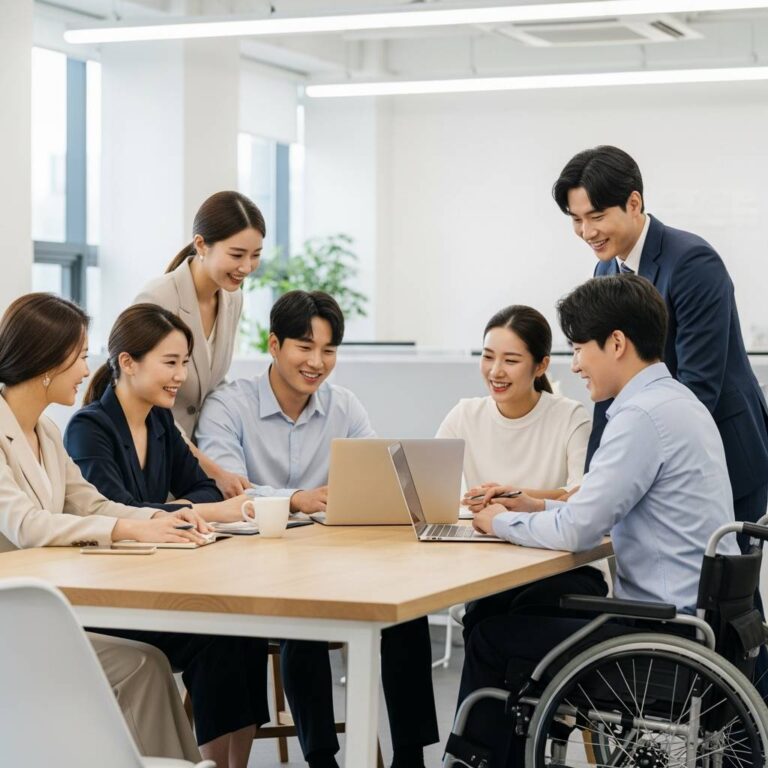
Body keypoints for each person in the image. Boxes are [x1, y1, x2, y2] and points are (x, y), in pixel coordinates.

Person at [456, 274, 740, 767]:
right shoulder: (678, 403)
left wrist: (498, 521)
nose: (575, 364)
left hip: (660, 642)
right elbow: (597, 510)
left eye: (578, 348)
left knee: (490, 634)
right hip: (696, 629)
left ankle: (472, 761)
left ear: (616, 343)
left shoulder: (640, 418)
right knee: (516, 610)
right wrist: (532, 505)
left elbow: (578, 530)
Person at [196, 290, 438, 768]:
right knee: (305, 617)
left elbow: (382, 476)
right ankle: (322, 759)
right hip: (252, 569)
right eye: (305, 347)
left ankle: (409, 756)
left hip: (334, 561)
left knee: (408, 612)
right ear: (274, 344)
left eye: (328, 351)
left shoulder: (343, 406)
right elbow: (229, 494)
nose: (317, 362)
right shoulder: (230, 405)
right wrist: (295, 499)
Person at [0, 292, 211, 762]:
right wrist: (130, 531)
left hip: (45, 611)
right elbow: (28, 526)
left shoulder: (46, 431)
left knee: (147, 663)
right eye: (78, 357)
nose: (84, 369)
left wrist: (158, 519)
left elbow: (89, 502)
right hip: (14, 622)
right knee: (141, 664)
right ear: (46, 363)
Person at [63, 303, 270, 768]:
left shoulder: (160, 422)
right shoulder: (89, 428)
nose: (180, 376)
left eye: (184, 363)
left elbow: (197, 484)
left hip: (156, 580)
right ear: (128, 362)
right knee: (216, 633)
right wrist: (203, 512)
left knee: (246, 629)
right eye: (170, 363)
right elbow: (120, 509)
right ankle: (209, 763)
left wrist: (186, 510)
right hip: (110, 597)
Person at [552, 146, 768, 534]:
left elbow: (699, 385)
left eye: (597, 216)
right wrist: (594, 479)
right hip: (658, 448)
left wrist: (629, 466)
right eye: (577, 220)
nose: (587, 232)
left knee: (727, 585)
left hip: (723, 449)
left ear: (634, 203)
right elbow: (611, 386)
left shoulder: (691, 262)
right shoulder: (605, 270)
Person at [436, 305, 607, 638]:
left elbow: (582, 496)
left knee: (511, 613)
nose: (495, 371)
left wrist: (514, 496)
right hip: (492, 564)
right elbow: (429, 488)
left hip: (564, 565)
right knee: (484, 615)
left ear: (541, 364)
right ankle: (484, 693)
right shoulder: (465, 415)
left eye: (511, 361)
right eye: (488, 357)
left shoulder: (569, 416)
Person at [135, 190, 265, 498]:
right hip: (154, 453)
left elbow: (214, 383)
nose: (246, 267)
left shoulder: (232, 297)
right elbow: (147, 402)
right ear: (201, 245)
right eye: (236, 255)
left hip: (198, 460)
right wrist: (214, 470)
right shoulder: (158, 299)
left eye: (256, 255)